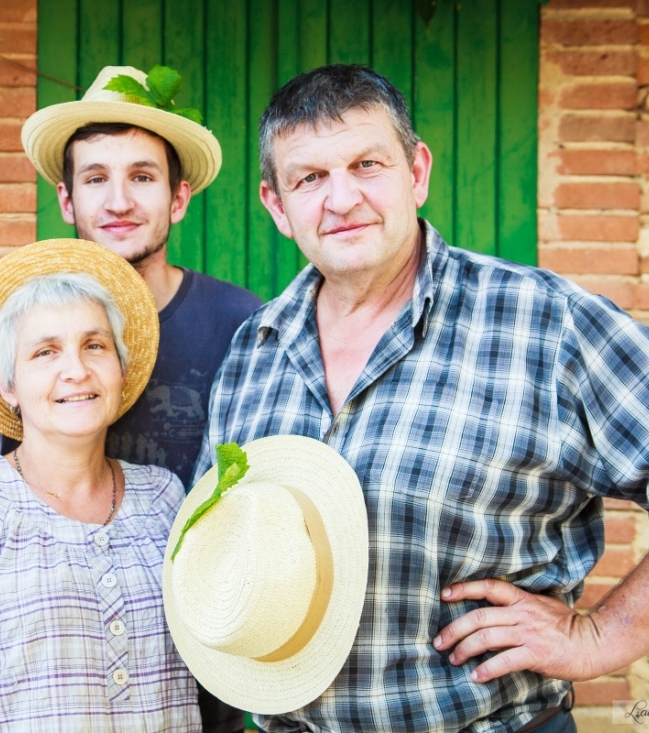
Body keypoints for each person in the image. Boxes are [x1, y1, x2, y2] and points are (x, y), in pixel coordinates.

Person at [195, 64, 649, 732]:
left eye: (367, 164)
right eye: (310, 178)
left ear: (417, 171)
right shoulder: (252, 353)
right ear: (275, 205)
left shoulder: (543, 323)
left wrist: (602, 634)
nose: (341, 198)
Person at [23, 70, 260, 731]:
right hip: (59, 680)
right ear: (66, 199)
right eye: (96, 178)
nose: (119, 199)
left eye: (143, 176)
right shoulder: (32, 333)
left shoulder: (243, 324)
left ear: (179, 197)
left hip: (203, 683)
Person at [0, 238, 199, 732]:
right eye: (45, 352)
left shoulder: (166, 499)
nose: (76, 370)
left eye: (94, 346)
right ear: (8, 385)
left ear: (119, 366)